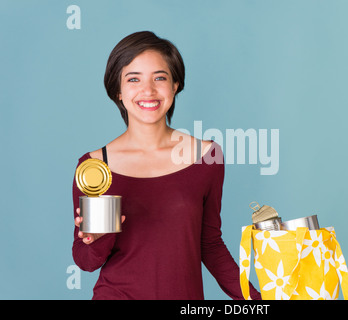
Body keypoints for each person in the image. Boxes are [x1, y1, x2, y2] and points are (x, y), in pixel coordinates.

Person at [72, 31, 261, 300]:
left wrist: (257, 301)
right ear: (118, 90)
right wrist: (98, 238)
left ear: (175, 85)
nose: (148, 90)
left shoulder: (207, 156)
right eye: (133, 79)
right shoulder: (94, 167)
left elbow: (210, 245)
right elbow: (86, 261)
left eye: (159, 78)